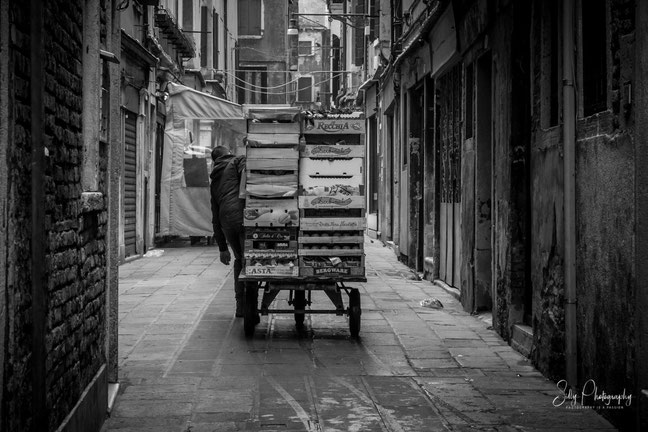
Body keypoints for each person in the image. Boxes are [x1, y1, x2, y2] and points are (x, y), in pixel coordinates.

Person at [210, 145, 248, 317]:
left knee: (239, 259)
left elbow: (215, 216)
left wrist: (222, 248)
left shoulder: (214, 180)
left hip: (226, 221)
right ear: (228, 153)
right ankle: (249, 303)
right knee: (250, 259)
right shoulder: (237, 160)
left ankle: (241, 306)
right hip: (244, 215)